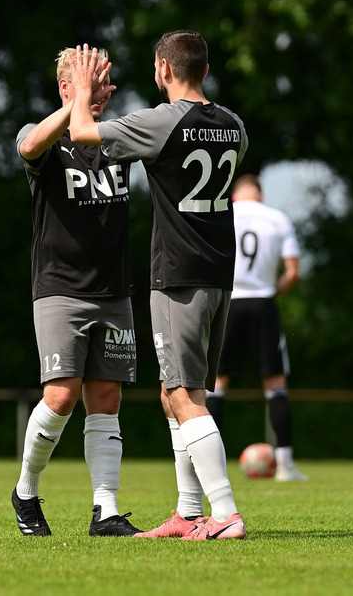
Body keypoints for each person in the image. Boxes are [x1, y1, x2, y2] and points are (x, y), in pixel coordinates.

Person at [68, 31, 249, 540]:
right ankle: (188, 513)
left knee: (184, 395)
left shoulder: (163, 121)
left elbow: (81, 132)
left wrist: (80, 87)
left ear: (164, 69)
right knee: (176, 393)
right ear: (205, 70)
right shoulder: (234, 125)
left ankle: (225, 513)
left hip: (179, 274)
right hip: (219, 273)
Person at [11, 46, 142, 538]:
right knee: (62, 396)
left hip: (114, 290)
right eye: (90, 80)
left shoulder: (115, 137)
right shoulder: (44, 136)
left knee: (106, 398)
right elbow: (28, 147)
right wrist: (77, 103)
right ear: (66, 87)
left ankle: (105, 511)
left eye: (105, 80)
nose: (101, 90)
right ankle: (26, 492)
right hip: (60, 289)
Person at [206, 174, 309, 482]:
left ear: (234, 195)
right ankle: (286, 465)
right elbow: (293, 272)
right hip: (263, 303)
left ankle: (207, 465)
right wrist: (271, 293)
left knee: (217, 383)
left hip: (228, 301)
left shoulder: (222, 213)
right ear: (261, 196)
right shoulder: (277, 218)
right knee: (275, 383)